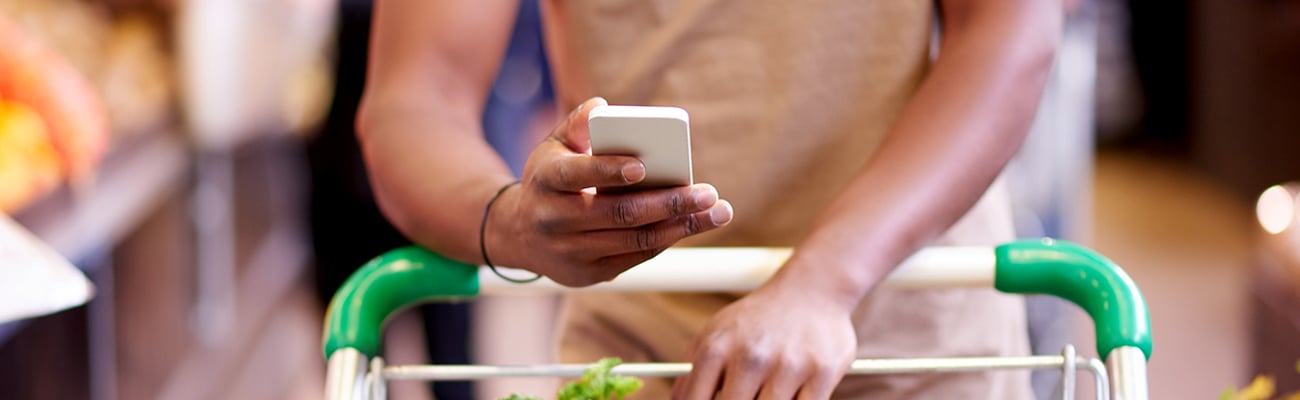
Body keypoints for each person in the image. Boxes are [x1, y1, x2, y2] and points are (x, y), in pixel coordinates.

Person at [357, 1, 1061, 398]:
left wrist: (819, 286)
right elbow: (415, 96)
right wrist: (506, 219)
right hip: (643, 356)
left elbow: (1010, 35)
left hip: (911, 338)